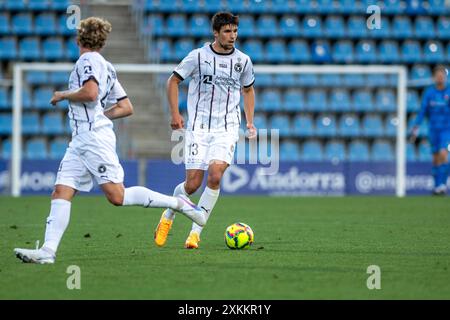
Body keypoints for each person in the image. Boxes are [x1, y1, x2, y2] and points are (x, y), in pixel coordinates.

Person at [14, 17, 205, 264]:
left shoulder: (87, 60)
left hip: (92, 139)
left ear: (78, 39)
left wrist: (64, 94)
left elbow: (90, 93)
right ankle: (48, 252)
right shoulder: (106, 65)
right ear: (102, 42)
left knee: (118, 196)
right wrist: (99, 116)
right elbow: (126, 106)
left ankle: (178, 203)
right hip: (82, 139)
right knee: (61, 190)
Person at [154, 12, 256, 249]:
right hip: (198, 127)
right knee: (191, 185)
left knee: (216, 175)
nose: (232, 36)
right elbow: (173, 81)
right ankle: (168, 215)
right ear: (216, 33)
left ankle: (195, 233)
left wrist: (249, 122)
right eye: (227, 31)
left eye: (235, 31)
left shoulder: (244, 61)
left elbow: (248, 90)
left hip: (227, 128)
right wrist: (175, 113)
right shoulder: (198, 56)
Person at [410, 65, 450, 195]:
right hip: (433, 130)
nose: (440, 78)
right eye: (437, 76)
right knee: (435, 158)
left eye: (442, 76)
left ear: (445, 77)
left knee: (444, 154)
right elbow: (423, 111)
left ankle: (442, 185)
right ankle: (436, 186)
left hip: (447, 130)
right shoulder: (429, 93)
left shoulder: (448, 92)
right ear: (434, 77)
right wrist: (416, 126)